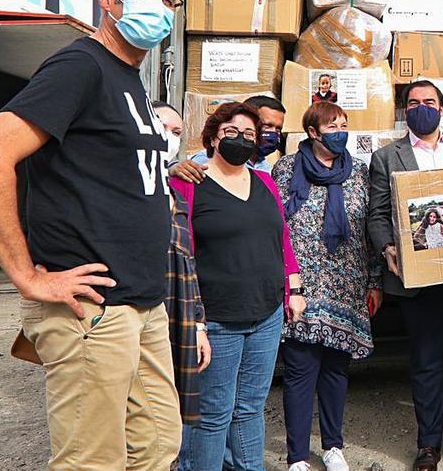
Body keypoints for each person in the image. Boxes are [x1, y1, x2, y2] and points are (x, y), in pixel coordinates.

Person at [0, 0, 183, 470]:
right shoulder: (80, 67)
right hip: (92, 310)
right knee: (91, 462)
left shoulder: (130, 80)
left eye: (168, 1)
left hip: (141, 304)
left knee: (156, 447)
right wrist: (28, 277)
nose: (160, 9)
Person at [169, 102, 306, 470]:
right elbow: (180, 253)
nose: (241, 139)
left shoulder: (263, 181)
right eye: (231, 132)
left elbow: (281, 238)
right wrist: (194, 321)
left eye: (249, 134)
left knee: (249, 409)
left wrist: (293, 289)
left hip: (267, 312)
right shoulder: (188, 182)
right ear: (213, 137)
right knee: (212, 413)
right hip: (216, 319)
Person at [367, 80, 443, 471]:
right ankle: (429, 445)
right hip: (418, 280)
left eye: (429, 102)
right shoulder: (387, 157)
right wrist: (387, 247)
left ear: (442, 107)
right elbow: (377, 214)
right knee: (425, 362)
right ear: (405, 110)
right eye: (414, 103)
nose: (422, 108)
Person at [273, 101, 383, 471]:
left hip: (346, 286)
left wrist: (374, 281)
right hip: (301, 286)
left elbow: (371, 229)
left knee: (336, 369)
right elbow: (276, 229)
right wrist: (287, 283)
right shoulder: (287, 169)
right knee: (301, 370)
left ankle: (333, 445)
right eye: (332, 125)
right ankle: (297, 456)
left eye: (344, 124)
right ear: (312, 132)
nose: (340, 131)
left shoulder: (359, 172)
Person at [155, 101, 211, 433]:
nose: (169, 137)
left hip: (176, 311)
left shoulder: (179, 192)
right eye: (162, 128)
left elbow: (186, 263)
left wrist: (198, 326)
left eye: (177, 132)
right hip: (133, 311)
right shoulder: (121, 177)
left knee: (167, 416)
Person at [172, 95, 286, 180]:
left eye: (278, 129)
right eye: (267, 126)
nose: (273, 133)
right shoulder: (205, 161)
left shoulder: (265, 167)